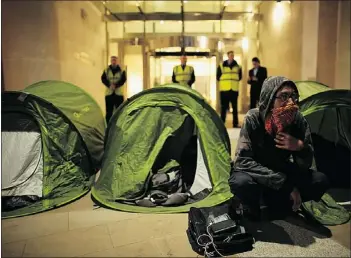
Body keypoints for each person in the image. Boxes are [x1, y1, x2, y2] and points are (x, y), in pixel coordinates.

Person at [229, 76, 329, 221]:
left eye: (294, 96)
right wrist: (285, 185)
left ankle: (276, 202)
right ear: (269, 98)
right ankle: (256, 203)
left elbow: (305, 165)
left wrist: (300, 147)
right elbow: (242, 162)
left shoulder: (298, 120)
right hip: (255, 173)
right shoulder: (253, 118)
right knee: (241, 183)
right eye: (284, 96)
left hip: (281, 169)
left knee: (320, 180)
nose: (291, 102)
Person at [217, 51, 242, 128]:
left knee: (235, 108)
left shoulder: (238, 66)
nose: (231, 56)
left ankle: (235, 123)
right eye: (230, 55)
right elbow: (218, 77)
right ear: (227, 56)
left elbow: (240, 77)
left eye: (232, 55)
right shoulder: (221, 66)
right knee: (223, 108)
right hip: (224, 90)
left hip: (234, 90)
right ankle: (222, 123)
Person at [101, 56, 127, 123]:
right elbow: (103, 79)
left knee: (119, 112)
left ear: (117, 61)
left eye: (115, 60)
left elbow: (123, 80)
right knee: (109, 112)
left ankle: (119, 125)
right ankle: (108, 127)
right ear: (110, 61)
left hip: (119, 94)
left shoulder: (122, 70)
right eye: (112, 60)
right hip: (109, 94)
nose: (113, 61)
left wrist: (116, 85)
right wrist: (109, 85)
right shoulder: (106, 70)